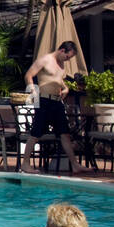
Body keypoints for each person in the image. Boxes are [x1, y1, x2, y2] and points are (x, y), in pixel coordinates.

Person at [21, 42, 91, 175]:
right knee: (36, 133)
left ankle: (75, 165)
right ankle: (25, 164)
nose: (68, 60)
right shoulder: (45, 60)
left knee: (64, 134)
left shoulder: (61, 64)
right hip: (43, 100)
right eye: (67, 57)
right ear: (62, 50)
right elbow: (28, 75)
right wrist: (33, 91)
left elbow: (57, 79)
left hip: (57, 102)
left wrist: (65, 88)